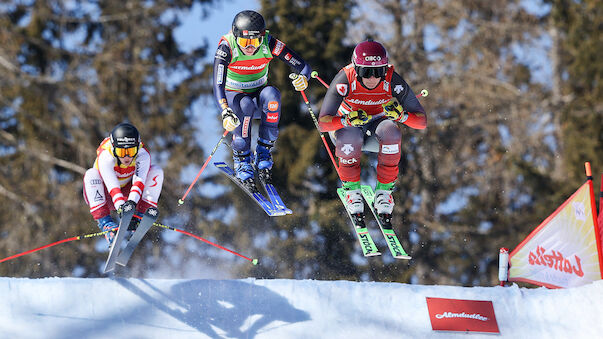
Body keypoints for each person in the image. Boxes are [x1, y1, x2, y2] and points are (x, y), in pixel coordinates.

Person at [318, 40, 427, 225]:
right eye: (365, 72)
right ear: (356, 68)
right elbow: (323, 123)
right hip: (347, 130)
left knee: (392, 132)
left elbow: (421, 121)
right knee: (351, 135)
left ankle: (384, 193)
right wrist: (346, 120)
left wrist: (401, 116)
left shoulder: (392, 79)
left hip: (376, 129)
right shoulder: (345, 78)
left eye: (378, 72)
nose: (372, 78)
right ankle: (352, 190)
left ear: (385, 69)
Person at [213, 10, 312, 189]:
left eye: (255, 41)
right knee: (246, 105)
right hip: (235, 98)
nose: (250, 47)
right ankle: (242, 160)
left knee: (273, 96)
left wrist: (304, 78)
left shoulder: (269, 43)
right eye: (244, 42)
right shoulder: (227, 47)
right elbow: (218, 82)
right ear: (236, 37)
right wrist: (225, 110)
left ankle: (264, 152)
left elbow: (303, 66)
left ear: (262, 37)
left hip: (259, 95)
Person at [83, 123, 164, 245]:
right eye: (121, 152)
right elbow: (112, 187)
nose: (127, 157)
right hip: (105, 195)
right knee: (90, 174)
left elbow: (139, 181)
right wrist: (122, 207)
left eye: (131, 151)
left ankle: (140, 218)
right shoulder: (106, 156)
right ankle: (107, 226)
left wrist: (131, 204)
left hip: (127, 192)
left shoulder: (142, 155)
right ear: (114, 148)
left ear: (137, 147)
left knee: (156, 171)